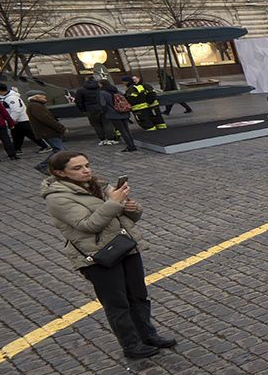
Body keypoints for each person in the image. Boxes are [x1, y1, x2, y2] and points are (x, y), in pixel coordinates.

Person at [43, 151, 175, 359]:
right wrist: (114, 203)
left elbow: (133, 215)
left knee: (138, 296)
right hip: (98, 256)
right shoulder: (57, 198)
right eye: (77, 168)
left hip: (125, 246)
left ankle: (148, 335)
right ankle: (131, 345)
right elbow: (88, 225)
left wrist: (131, 207)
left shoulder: (100, 185)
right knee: (117, 303)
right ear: (60, 172)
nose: (86, 170)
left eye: (87, 165)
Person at [25, 93, 68, 169]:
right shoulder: (35, 106)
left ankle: (50, 165)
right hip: (47, 132)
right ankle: (43, 165)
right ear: (36, 97)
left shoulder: (36, 105)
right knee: (60, 150)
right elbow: (47, 119)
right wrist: (61, 128)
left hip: (48, 131)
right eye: (42, 96)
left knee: (59, 150)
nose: (45, 97)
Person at [0, 83, 34, 157]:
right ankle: (17, 149)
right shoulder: (5, 98)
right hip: (17, 120)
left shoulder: (11, 98)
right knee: (17, 135)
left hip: (21, 120)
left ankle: (45, 146)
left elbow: (16, 110)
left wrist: (12, 120)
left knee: (29, 134)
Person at [101, 80, 138, 152]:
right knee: (127, 130)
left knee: (122, 131)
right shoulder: (116, 90)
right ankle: (132, 145)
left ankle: (130, 146)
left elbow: (103, 104)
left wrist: (106, 112)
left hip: (113, 114)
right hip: (123, 112)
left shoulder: (102, 93)